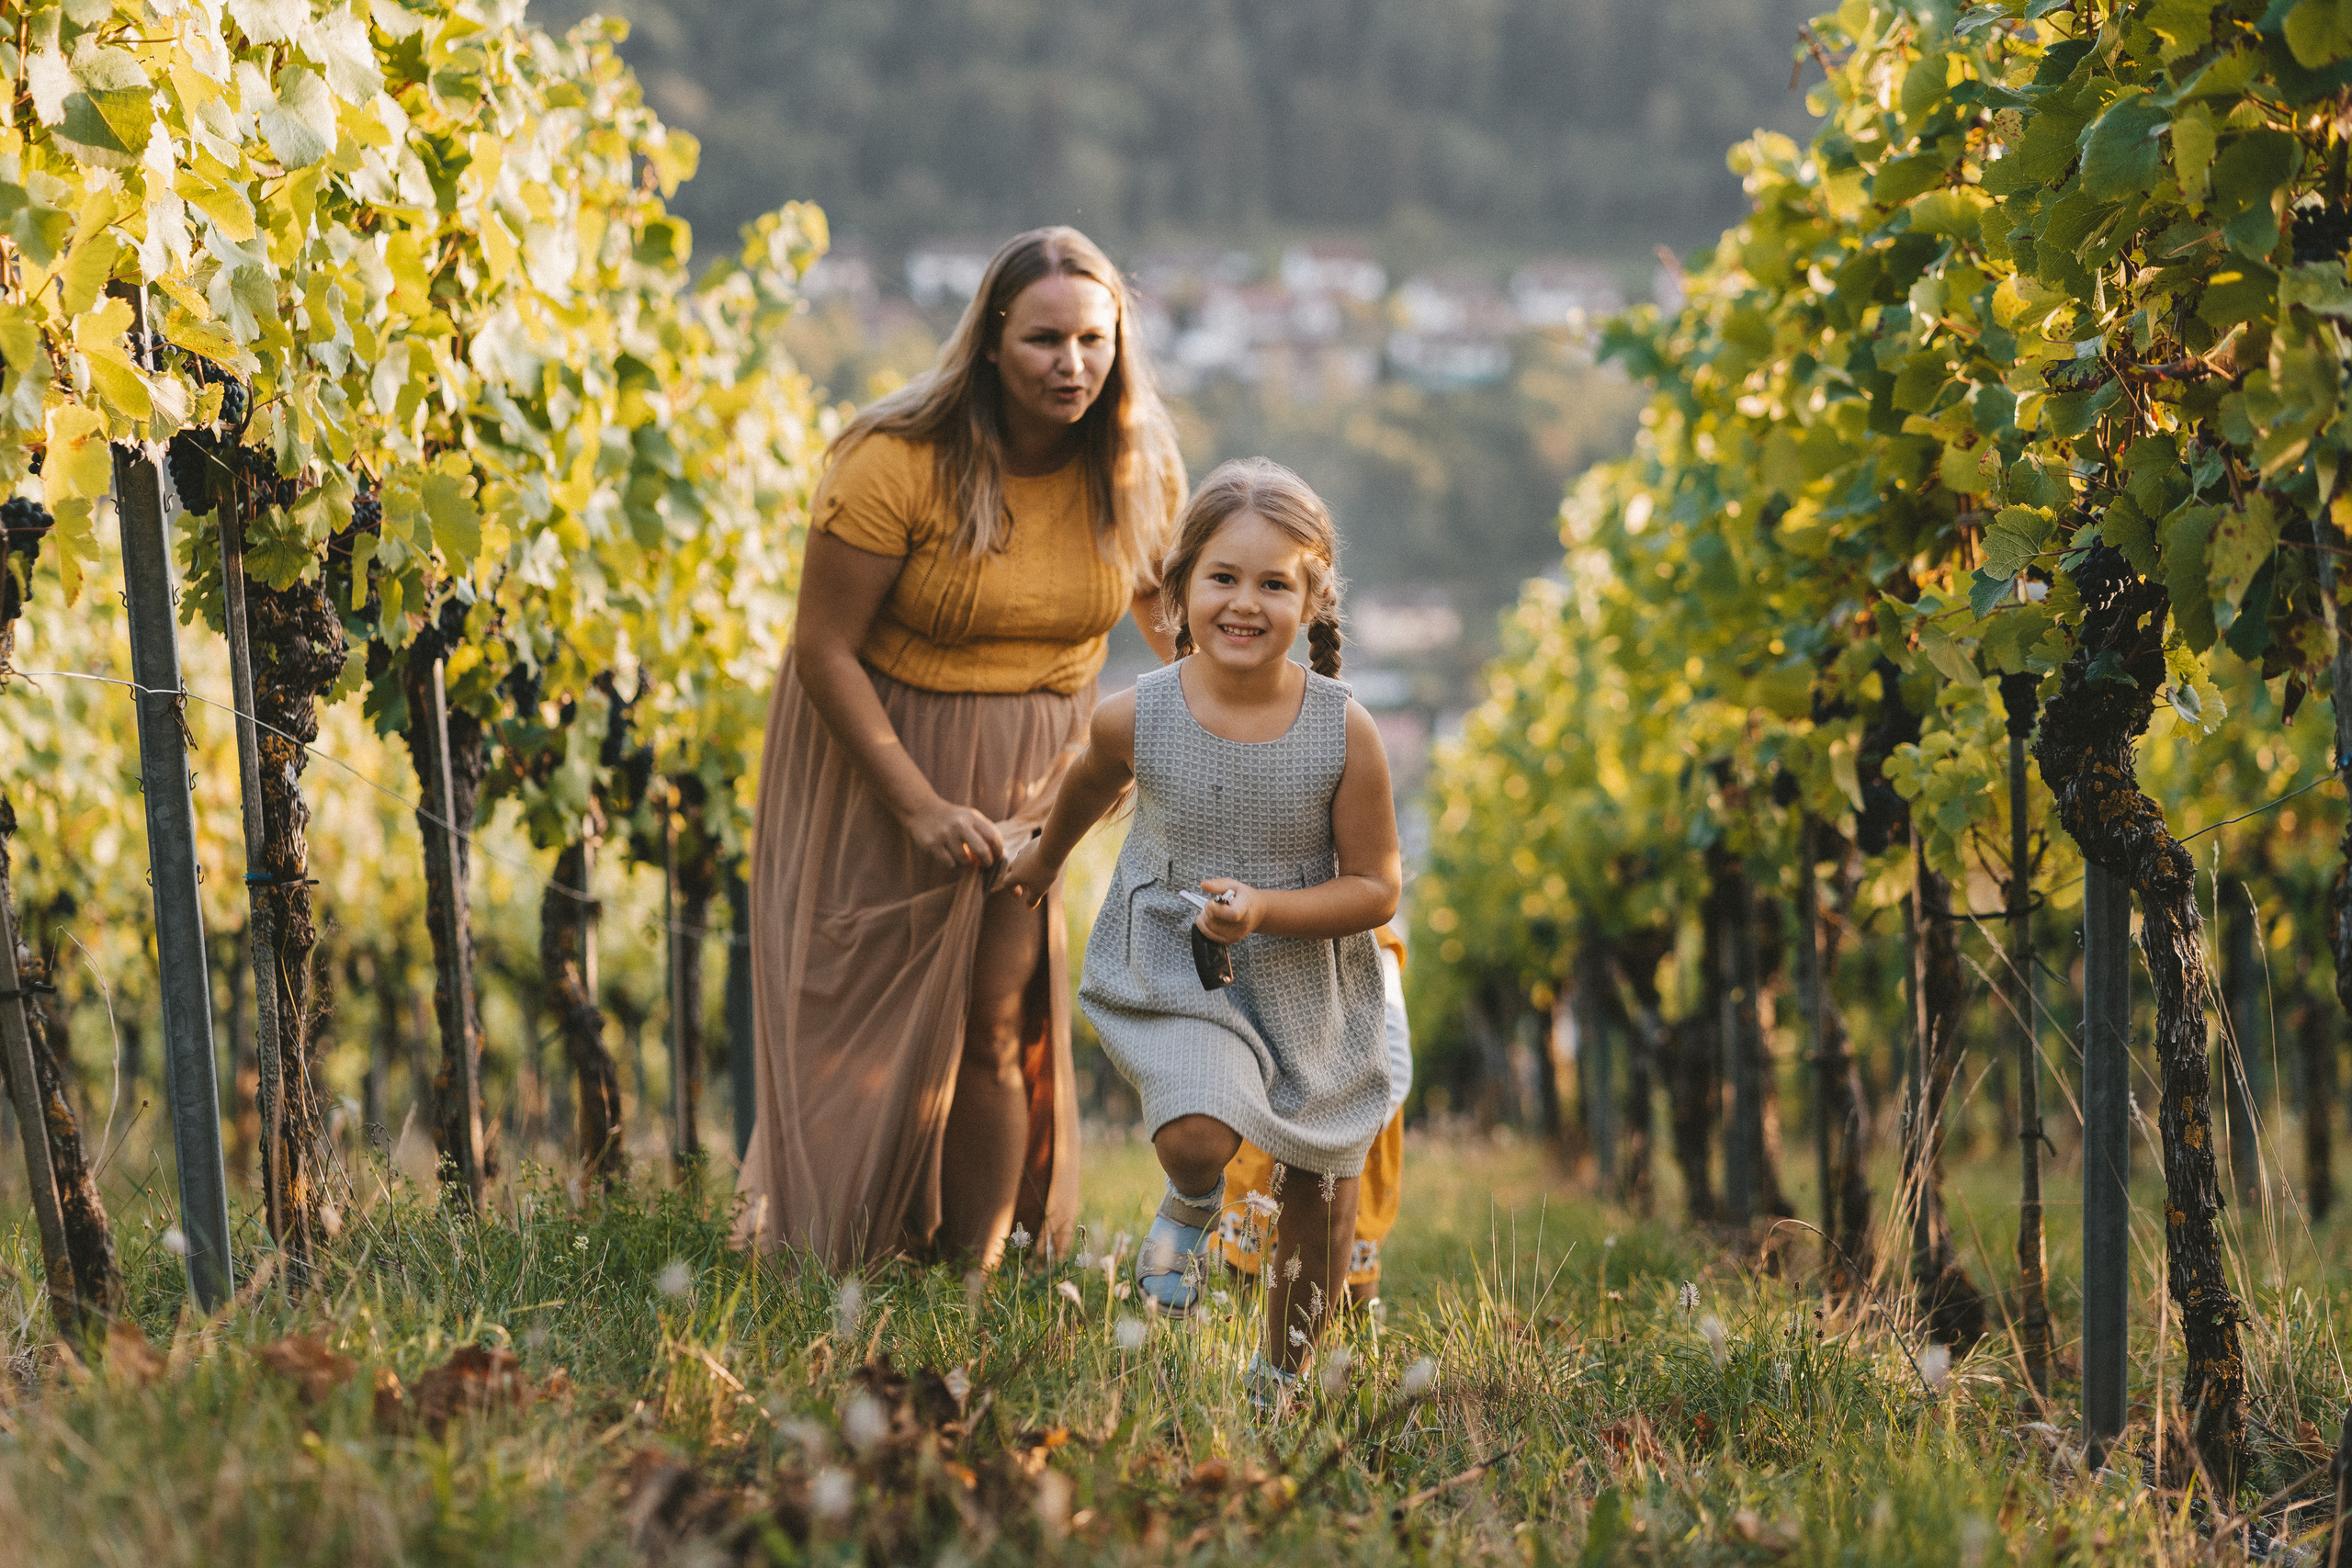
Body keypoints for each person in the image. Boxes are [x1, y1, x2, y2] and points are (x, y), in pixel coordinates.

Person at [737, 227, 1184, 1269]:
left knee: (995, 1018)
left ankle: (969, 1277)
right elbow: (824, 649)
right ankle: (832, 1256)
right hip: (878, 761)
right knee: (855, 1014)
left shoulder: (1135, 470)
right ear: (989, 340)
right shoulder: (893, 462)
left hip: (1034, 782)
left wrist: (1189, 745)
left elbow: (1182, 644)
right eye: (1044, 340)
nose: (1072, 365)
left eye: (1093, 340)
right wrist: (918, 805)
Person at [1004, 458, 1399, 1400]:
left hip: (1309, 977)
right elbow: (1087, 785)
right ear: (1179, 588)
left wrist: (1265, 909)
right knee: (1194, 1132)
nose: (1245, 603)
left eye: (1275, 584)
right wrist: (1045, 860)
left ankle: (1278, 1382)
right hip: (1179, 961)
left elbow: (1375, 888)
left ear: (1312, 601)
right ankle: (1191, 1201)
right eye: (1223, 577)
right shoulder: (1140, 714)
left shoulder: (1344, 731)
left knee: (1319, 1184)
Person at [1216, 922, 1410, 1307]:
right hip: (1267, 1117)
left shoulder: (1373, 938)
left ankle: (1344, 1329)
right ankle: (1244, 1328)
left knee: (1348, 1278)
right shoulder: (1253, 928)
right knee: (1247, 1261)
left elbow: (1397, 1056)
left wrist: (1359, 1124)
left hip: (1346, 1126)